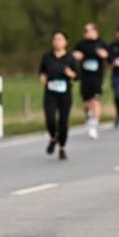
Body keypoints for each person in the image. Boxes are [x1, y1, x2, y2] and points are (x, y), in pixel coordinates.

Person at [39, 31, 78, 160]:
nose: (57, 42)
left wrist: (71, 74)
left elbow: (78, 75)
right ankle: (53, 137)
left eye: (60, 39)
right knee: (50, 119)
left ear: (65, 42)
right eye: (55, 39)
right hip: (50, 91)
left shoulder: (70, 58)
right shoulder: (47, 57)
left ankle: (62, 147)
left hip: (65, 92)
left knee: (63, 121)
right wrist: (42, 77)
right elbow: (42, 71)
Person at [72, 23, 109, 139]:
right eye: (84, 31)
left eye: (87, 30)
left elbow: (110, 58)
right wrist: (75, 55)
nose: (85, 33)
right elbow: (71, 57)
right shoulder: (81, 44)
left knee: (95, 100)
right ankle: (88, 116)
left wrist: (105, 55)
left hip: (97, 77)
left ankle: (93, 125)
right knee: (86, 103)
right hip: (85, 77)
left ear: (95, 31)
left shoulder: (101, 44)